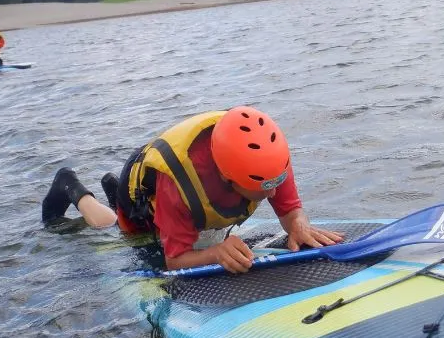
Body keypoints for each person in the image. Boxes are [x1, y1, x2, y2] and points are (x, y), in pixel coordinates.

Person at [41, 106, 344, 273]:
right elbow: (175, 259)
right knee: (118, 234)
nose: (274, 195)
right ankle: (74, 186)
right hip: (144, 199)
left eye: (275, 183)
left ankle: (110, 187)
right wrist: (215, 253)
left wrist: (298, 225)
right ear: (228, 178)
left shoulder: (265, 157)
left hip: (173, 186)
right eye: (262, 190)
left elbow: (289, 207)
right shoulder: (179, 188)